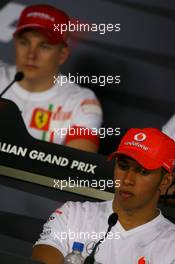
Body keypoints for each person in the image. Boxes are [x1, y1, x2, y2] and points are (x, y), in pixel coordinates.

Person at [32, 127, 175, 264]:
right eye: (123, 167)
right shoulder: (71, 214)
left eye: (142, 172)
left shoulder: (171, 244)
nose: (127, 180)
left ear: (164, 181)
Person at [0, 4, 102, 152]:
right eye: (24, 43)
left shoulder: (80, 102)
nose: (31, 55)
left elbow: (77, 167)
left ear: (62, 54)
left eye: (44, 46)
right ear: (15, 44)